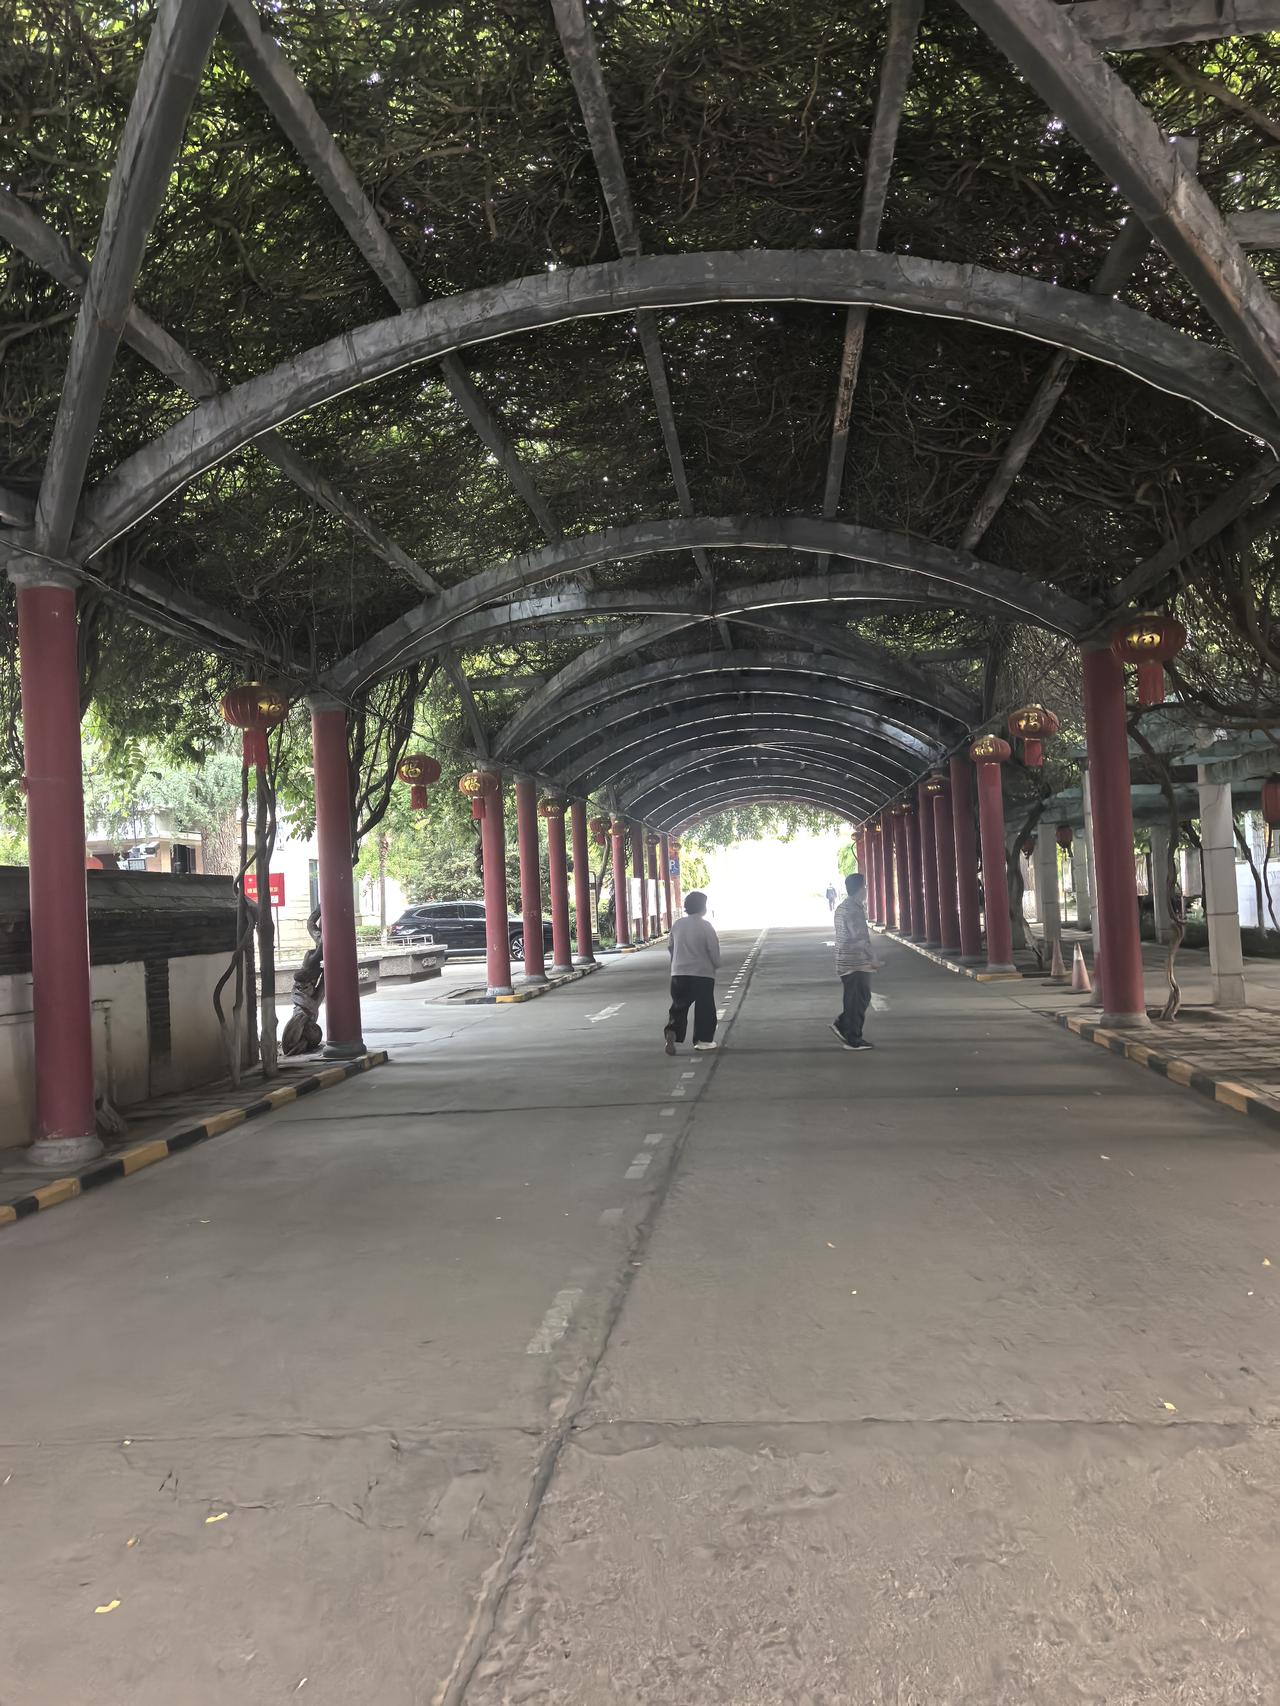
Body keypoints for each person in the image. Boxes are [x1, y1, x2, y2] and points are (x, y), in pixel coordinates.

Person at [664, 891, 720, 1054]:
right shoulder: (706, 926)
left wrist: (675, 964)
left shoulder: (678, 925)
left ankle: (672, 1031)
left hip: (679, 973)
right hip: (702, 973)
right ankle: (703, 1041)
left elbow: (670, 947)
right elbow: (712, 949)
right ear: (702, 907)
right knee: (705, 1007)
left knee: (679, 1006)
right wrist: (716, 964)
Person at [831, 872, 878, 1051]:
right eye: (865, 886)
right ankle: (853, 1039)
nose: (866, 890)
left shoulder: (843, 907)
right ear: (861, 889)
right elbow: (859, 937)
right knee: (858, 999)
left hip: (846, 959)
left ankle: (844, 1025)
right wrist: (873, 958)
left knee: (857, 997)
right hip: (855, 961)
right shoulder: (853, 909)